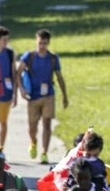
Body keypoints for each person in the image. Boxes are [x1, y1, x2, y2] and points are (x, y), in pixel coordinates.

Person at [16, 29, 68, 164]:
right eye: (40, 43)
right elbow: (18, 73)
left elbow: (59, 77)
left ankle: (44, 151)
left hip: (48, 95)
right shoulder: (29, 57)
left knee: (47, 123)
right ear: (36, 41)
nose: (42, 46)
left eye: (44, 43)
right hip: (33, 96)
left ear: (48, 43)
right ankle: (33, 141)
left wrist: (64, 95)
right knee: (32, 125)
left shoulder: (52, 58)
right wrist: (21, 89)